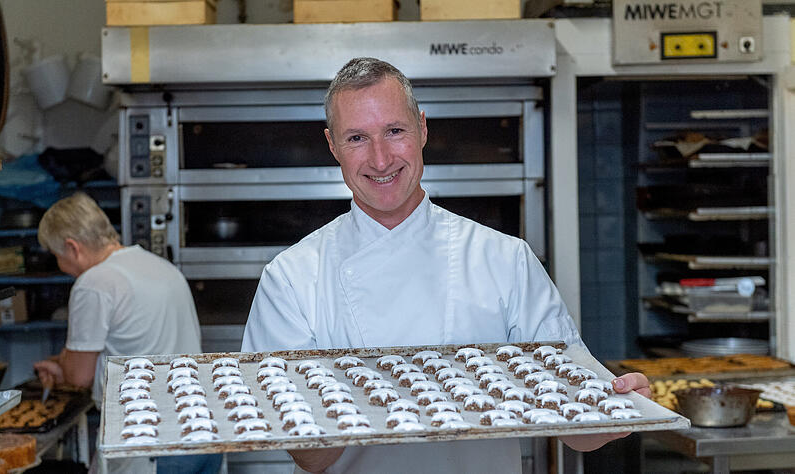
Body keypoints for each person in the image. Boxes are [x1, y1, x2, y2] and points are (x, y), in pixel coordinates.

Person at [241, 57, 650, 473]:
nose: (380, 160)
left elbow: (578, 429)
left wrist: (620, 406)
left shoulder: (504, 260)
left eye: (395, 131)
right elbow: (310, 456)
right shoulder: (291, 278)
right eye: (357, 138)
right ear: (332, 146)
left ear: (422, 128)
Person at [32, 192, 220, 474]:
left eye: (57, 257)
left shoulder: (94, 283)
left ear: (72, 247)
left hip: (151, 442)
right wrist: (63, 365)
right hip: (205, 432)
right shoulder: (161, 267)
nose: (61, 266)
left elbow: (79, 376)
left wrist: (64, 368)